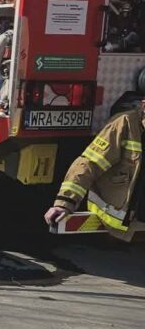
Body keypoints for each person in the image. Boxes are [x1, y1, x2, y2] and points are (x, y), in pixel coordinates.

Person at [44, 96, 145, 239]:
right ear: (143, 107)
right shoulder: (124, 124)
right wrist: (64, 203)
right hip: (117, 210)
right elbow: (89, 164)